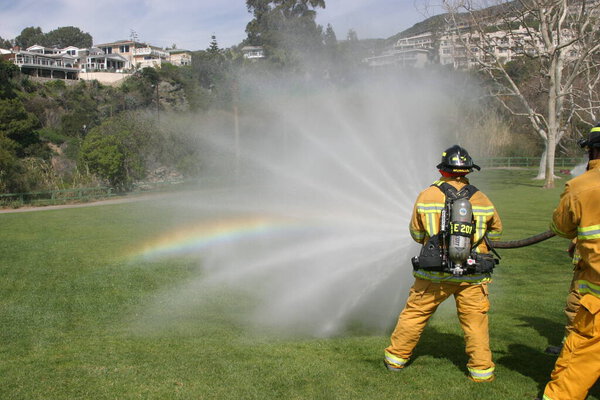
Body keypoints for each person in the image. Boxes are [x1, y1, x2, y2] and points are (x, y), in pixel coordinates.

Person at [383, 145, 503, 382]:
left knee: (415, 315)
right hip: (473, 274)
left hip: (435, 274)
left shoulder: (427, 195)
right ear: (467, 171)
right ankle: (481, 372)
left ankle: (396, 359)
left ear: (443, 170)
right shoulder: (481, 197)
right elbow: (496, 234)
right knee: (476, 324)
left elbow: (417, 234)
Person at [541, 123, 600, 400]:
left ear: (591, 152)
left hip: (596, 293)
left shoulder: (580, 187)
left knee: (581, 354)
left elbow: (562, 226)